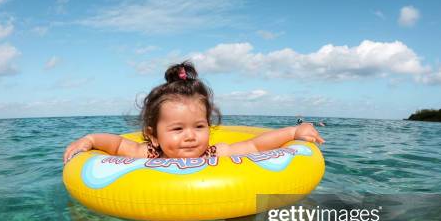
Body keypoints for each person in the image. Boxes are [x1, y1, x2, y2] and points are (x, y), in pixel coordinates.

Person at [63, 61, 324, 164]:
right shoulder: (149, 153)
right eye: (177, 129)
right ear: (153, 136)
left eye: (199, 126)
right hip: (165, 205)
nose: (190, 136)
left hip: (212, 200)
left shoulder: (213, 153)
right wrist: (90, 140)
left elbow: (255, 146)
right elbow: (118, 143)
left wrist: (293, 131)